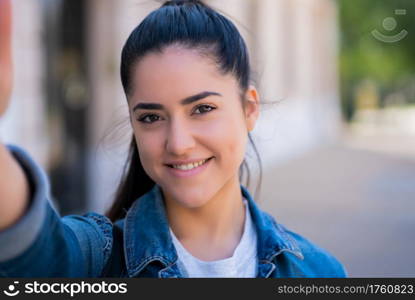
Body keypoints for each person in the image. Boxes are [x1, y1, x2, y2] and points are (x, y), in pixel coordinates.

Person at [0, 0, 347, 278]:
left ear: (249, 109)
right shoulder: (97, 261)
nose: (178, 143)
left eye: (202, 109)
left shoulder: (319, 272)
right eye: (151, 118)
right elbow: (37, 252)